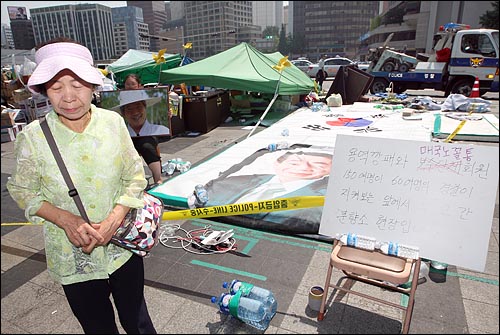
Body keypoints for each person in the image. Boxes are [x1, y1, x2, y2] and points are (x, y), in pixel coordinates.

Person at [6, 37, 156, 334]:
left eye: (77, 84)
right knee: (97, 327)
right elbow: (23, 190)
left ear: (92, 86)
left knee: (138, 323)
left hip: (121, 248)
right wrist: (66, 220)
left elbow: (135, 177)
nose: (68, 96)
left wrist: (113, 220)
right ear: (44, 90)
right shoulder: (33, 137)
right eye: (57, 87)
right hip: (73, 257)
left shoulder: (113, 123)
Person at [203, 144, 333, 234]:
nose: (303, 167)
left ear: (330, 170)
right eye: (294, 162)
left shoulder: (322, 202)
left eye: (319, 165)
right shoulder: (234, 181)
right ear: (277, 163)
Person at [113, 88, 171, 186]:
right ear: (123, 113)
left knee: (147, 144)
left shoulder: (160, 129)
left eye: (138, 107)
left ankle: (158, 179)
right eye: (129, 109)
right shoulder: (119, 132)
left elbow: (167, 137)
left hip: (147, 143)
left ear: (145, 108)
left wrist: (169, 118)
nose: (135, 112)